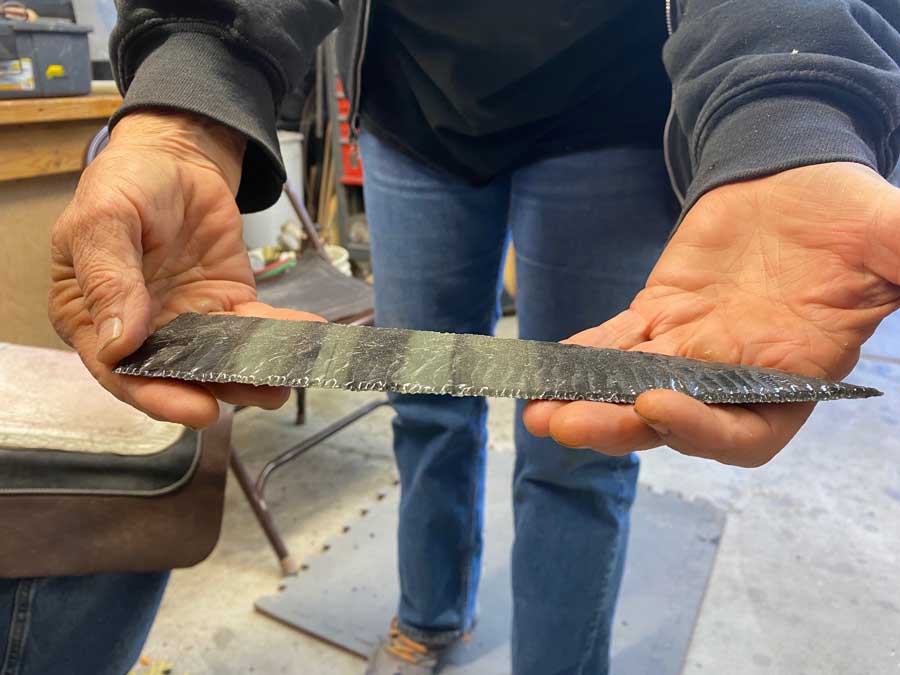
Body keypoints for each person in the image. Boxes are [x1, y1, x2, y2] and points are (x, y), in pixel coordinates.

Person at [3, 1, 897, 674]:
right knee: (425, 402)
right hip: (414, 114)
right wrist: (191, 81)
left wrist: (790, 116)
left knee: (585, 435)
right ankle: (430, 616)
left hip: (612, 111)